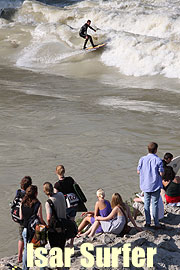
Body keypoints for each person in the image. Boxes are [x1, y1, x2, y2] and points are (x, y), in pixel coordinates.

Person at [137, 142, 164, 229]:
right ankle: (156, 223)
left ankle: (147, 222)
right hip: (155, 185)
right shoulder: (158, 160)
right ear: (156, 150)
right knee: (155, 204)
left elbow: (138, 171)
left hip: (145, 185)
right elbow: (161, 173)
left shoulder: (142, 159)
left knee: (146, 204)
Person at [20, 185, 46, 270]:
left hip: (26, 230)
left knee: (27, 250)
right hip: (36, 230)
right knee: (40, 249)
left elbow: (21, 217)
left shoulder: (22, 203)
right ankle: (42, 268)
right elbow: (40, 218)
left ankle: (25, 268)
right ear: (36, 193)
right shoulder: (38, 204)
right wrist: (46, 226)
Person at [54, 165, 77, 247]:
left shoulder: (57, 185)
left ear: (56, 172)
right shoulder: (70, 179)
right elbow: (77, 188)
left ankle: (63, 243)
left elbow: (55, 197)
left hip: (64, 206)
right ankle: (71, 243)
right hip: (73, 204)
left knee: (63, 225)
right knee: (72, 222)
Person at [43, 182, 66, 251]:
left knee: (55, 249)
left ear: (45, 191)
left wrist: (48, 227)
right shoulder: (61, 195)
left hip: (55, 228)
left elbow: (49, 218)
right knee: (62, 248)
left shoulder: (48, 202)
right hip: (64, 225)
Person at [15, 176, 32, 263]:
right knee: (29, 239)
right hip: (26, 220)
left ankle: (19, 257)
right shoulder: (27, 195)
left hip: (19, 219)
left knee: (21, 238)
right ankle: (27, 257)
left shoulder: (18, 192)